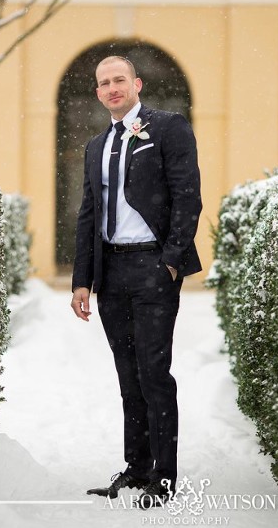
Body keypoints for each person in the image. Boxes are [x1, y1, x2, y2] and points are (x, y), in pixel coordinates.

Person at [70, 56, 202, 508]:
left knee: (154, 374)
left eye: (119, 80)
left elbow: (188, 195)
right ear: (98, 92)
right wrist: (82, 281)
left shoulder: (168, 127)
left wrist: (171, 258)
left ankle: (164, 476)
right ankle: (137, 466)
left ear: (136, 84)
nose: (111, 88)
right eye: (103, 83)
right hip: (111, 272)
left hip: (153, 268)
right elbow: (89, 216)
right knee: (128, 377)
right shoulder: (95, 146)